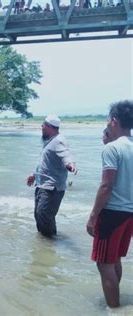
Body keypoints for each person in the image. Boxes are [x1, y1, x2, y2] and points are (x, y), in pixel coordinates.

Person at [86, 100, 133, 308]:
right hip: (130, 213)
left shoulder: (112, 149)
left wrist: (93, 216)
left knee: (104, 263)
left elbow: (107, 185)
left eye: (108, 119)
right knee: (114, 259)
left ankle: (114, 309)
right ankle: (116, 303)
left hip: (112, 214)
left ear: (114, 121)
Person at [27, 114, 77, 237]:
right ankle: (44, 246)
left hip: (52, 187)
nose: (41, 127)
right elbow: (45, 163)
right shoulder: (49, 141)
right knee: (39, 215)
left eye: (43, 125)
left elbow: (66, 155)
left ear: (50, 127)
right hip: (42, 184)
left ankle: (51, 243)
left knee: (44, 215)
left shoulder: (59, 140)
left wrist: (70, 164)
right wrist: (34, 175)